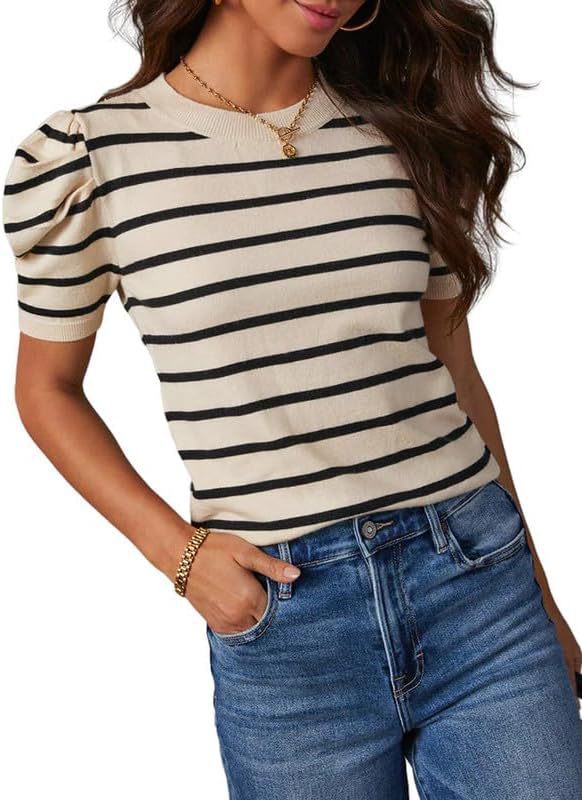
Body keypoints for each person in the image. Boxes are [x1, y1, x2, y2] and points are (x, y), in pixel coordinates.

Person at [3, 0, 581, 797]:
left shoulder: (404, 130)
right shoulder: (90, 156)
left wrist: (543, 601)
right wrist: (182, 558)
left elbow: (456, 372)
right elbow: (45, 389)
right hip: (287, 624)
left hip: (477, 587)